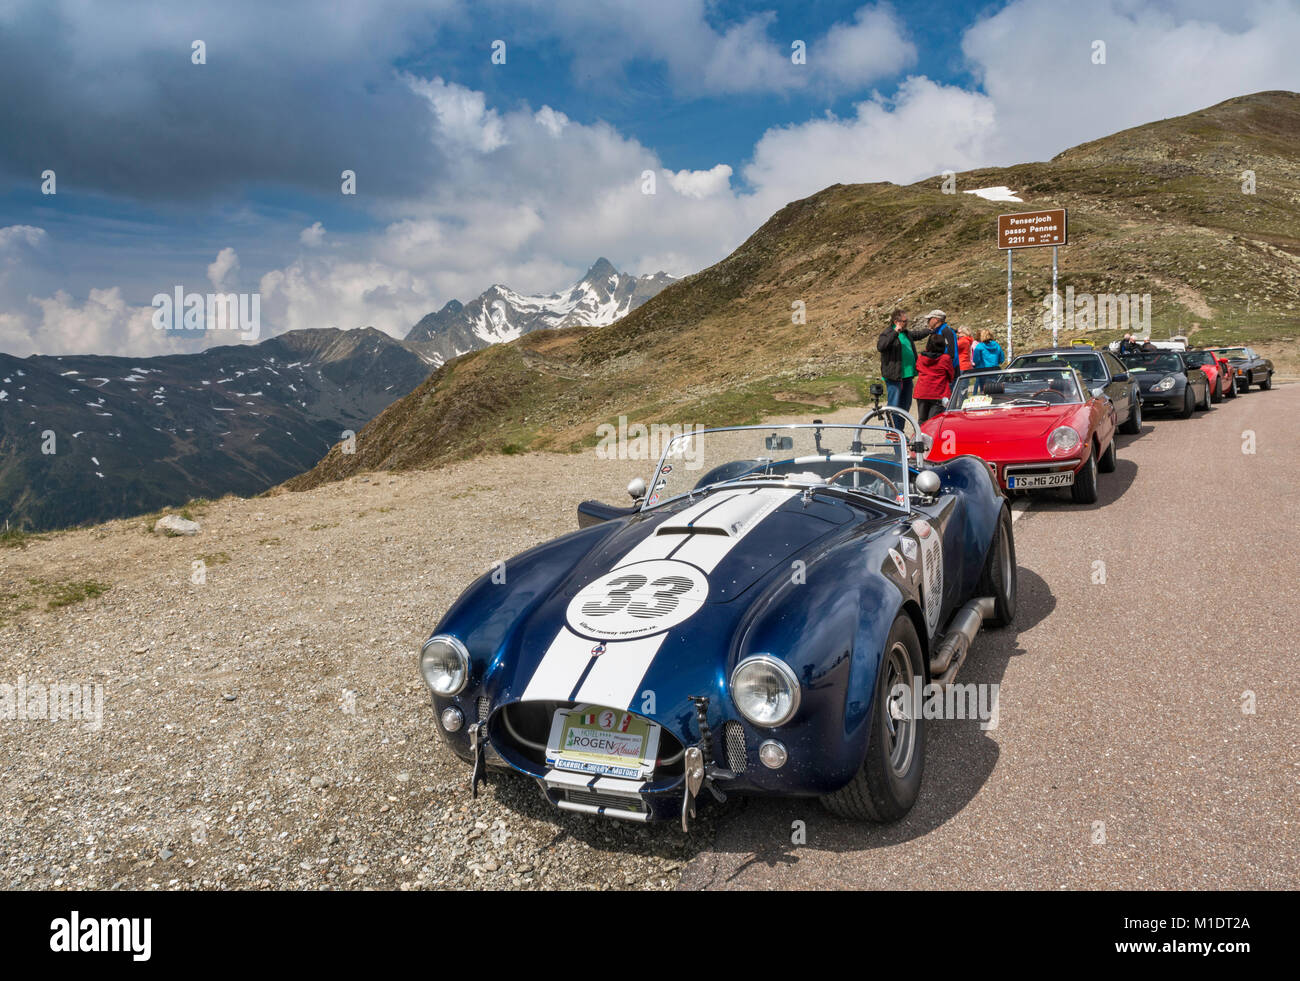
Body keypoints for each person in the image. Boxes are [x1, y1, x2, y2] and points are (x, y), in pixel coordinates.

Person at [876, 308, 931, 411]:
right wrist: (895, 332)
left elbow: (917, 335)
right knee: (894, 405)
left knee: (905, 405)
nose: (907, 323)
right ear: (896, 322)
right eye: (904, 321)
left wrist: (929, 331)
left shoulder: (906, 333)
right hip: (895, 376)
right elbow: (881, 346)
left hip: (907, 375)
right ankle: (890, 427)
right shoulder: (887, 332)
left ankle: (899, 427)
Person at [914, 332, 955, 423]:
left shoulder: (921, 357)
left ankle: (920, 437)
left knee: (922, 420)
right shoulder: (945, 358)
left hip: (922, 392)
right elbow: (951, 375)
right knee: (934, 421)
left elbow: (917, 368)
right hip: (938, 393)